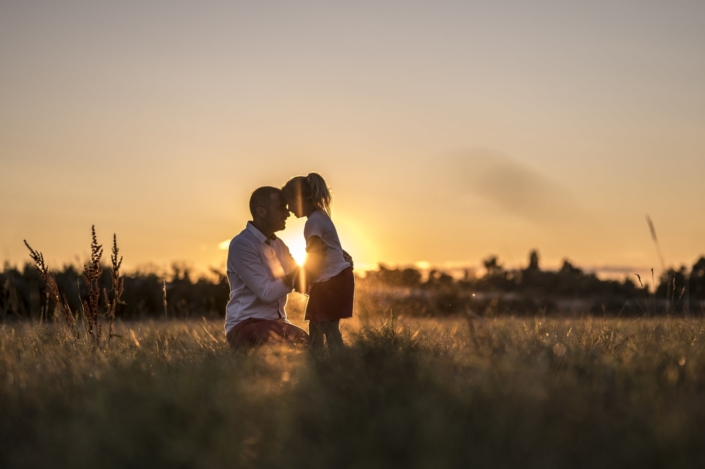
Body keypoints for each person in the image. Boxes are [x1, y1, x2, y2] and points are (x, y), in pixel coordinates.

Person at [224, 186, 310, 348]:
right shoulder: (242, 245)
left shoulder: (280, 245)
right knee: (281, 342)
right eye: (281, 208)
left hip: (276, 324)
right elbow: (266, 293)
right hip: (244, 324)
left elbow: (302, 281)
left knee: (309, 343)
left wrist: (336, 265)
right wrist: (298, 275)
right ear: (261, 212)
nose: (287, 213)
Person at [282, 173, 354, 349]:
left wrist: (298, 277)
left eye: (289, 202)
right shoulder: (320, 217)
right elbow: (328, 248)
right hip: (333, 279)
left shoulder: (313, 222)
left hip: (332, 280)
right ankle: (318, 362)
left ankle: (338, 364)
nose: (288, 209)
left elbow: (316, 252)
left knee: (328, 327)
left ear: (299, 198)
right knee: (316, 325)